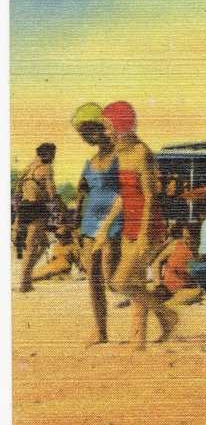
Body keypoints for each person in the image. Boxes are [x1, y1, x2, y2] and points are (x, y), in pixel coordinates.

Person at [99, 101, 178, 349]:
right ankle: (138, 340)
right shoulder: (118, 155)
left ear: (120, 125)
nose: (106, 132)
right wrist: (105, 227)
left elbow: (150, 195)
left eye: (108, 126)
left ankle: (167, 315)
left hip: (148, 225)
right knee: (135, 282)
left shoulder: (142, 152)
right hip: (128, 225)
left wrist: (144, 235)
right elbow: (123, 197)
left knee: (120, 282)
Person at [72, 103, 124, 345]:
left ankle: (152, 308)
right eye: (82, 135)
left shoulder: (120, 155)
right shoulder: (90, 161)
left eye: (88, 132)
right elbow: (82, 193)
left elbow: (127, 192)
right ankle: (101, 331)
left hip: (113, 220)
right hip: (89, 221)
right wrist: (76, 224)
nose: (85, 138)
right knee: (92, 276)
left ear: (101, 127)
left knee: (111, 277)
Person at [16, 142, 61, 292]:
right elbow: (51, 192)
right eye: (53, 154)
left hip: (24, 207)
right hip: (37, 208)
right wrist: (58, 205)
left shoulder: (29, 166)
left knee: (43, 244)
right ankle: (24, 282)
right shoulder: (47, 168)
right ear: (49, 155)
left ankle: (26, 277)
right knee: (33, 246)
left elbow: (18, 188)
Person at [150, 220, 204, 307]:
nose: (185, 240)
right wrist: (157, 284)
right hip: (164, 288)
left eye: (188, 238)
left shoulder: (203, 252)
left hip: (186, 290)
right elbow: (157, 262)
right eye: (184, 236)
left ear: (198, 237)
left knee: (195, 292)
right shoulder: (177, 244)